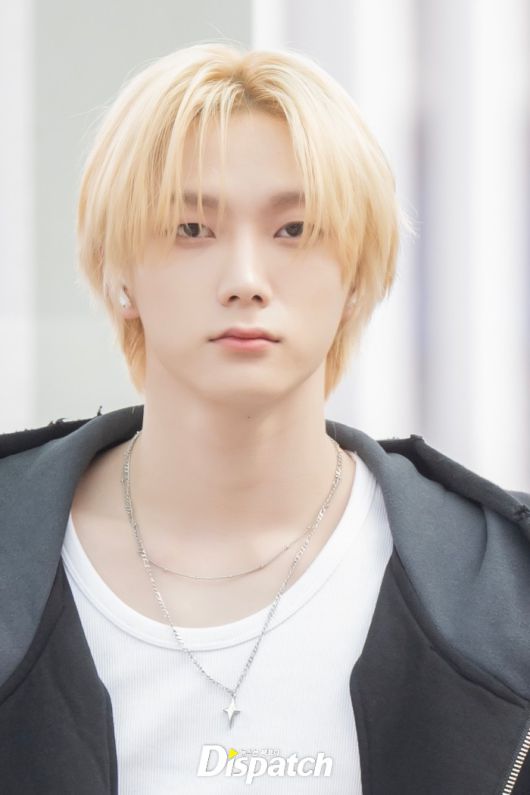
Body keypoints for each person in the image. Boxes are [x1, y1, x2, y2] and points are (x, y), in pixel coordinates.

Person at [0, 41, 529, 795]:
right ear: (120, 273)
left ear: (355, 276)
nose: (246, 280)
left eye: (294, 230)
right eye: (191, 229)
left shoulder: (507, 586)